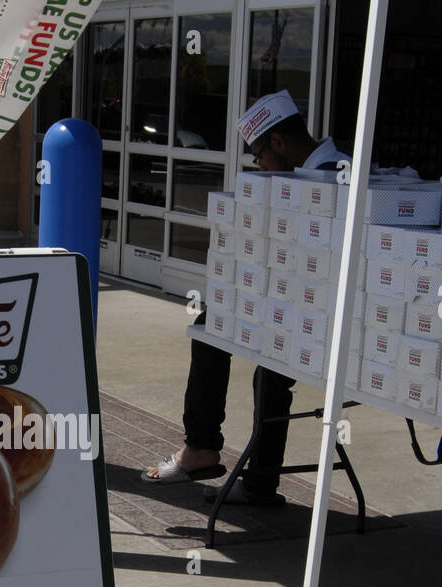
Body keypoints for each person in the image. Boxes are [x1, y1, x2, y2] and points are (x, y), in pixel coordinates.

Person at [144, 90, 349, 506]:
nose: (260, 167)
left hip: (321, 315)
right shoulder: (312, 172)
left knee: (248, 354)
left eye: (260, 156)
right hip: (295, 303)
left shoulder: (330, 176)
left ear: (277, 142)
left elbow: (316, 261)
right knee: (219, 332)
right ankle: (248, 476)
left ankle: (205, 450)